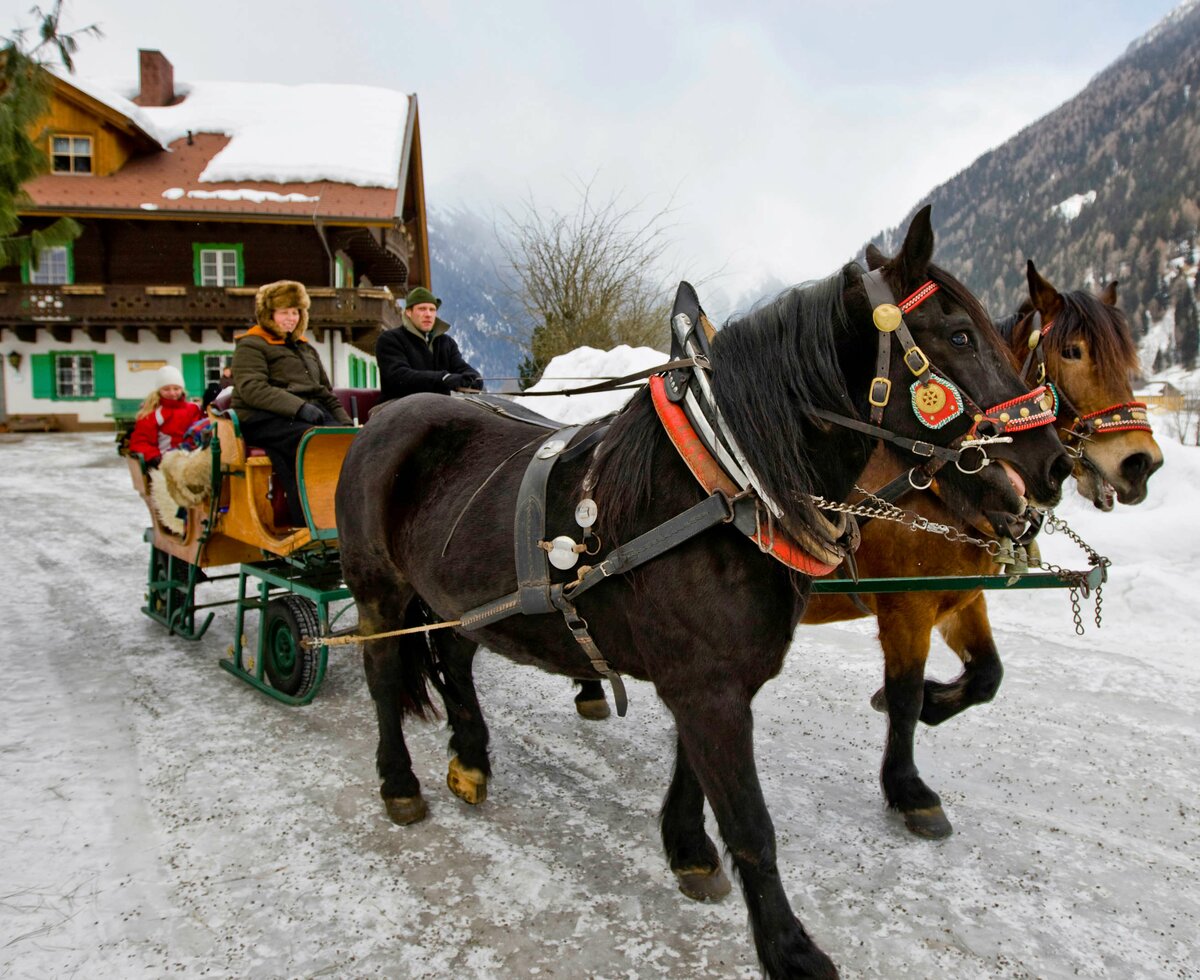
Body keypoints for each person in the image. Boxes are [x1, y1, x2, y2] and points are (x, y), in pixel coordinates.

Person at [231, 280, 351, 526]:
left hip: (305, 414)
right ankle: (306, 520)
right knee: (312, 442)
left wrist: (345, 424)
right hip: (262, 417)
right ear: (269, 314)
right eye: (284, 312)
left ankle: (340, 517)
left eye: (295, 312)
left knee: (342, 440)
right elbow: (253, 389)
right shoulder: (251, 345)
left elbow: (324, 391)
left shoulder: (306, 349)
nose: (291, 318)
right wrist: (299, 408)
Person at [376, 286, 483, 403]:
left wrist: (474, 379)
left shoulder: (446, 343)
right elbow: (398, 377)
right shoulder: (390, 339)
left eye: (432, 310)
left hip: (439, 409)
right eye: (422, 309)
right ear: (408, 312)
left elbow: (461, 367)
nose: (428, 314)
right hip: (395, 408)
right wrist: (443, 378)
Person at [128, 365, 203, 468]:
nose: (172, 393)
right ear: (159, 391)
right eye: (166, 389)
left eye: (176, 388)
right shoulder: (152, 413)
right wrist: (154, 457)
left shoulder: (193, 409)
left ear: (182, 389)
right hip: (165, 460)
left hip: (192, 458)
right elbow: (140, 440)